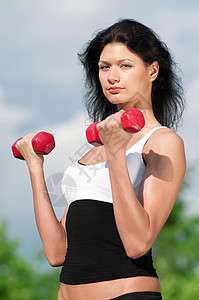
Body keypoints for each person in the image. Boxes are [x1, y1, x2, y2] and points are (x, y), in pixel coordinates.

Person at [16, 19, 186, 300]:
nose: (112, 76)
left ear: (152, 70)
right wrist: (36, 167)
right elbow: (56, 252)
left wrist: (117, 153)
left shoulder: (162, 142)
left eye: (125, 65)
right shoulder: (94, 147)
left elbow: (138, 243)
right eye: (104, 67)